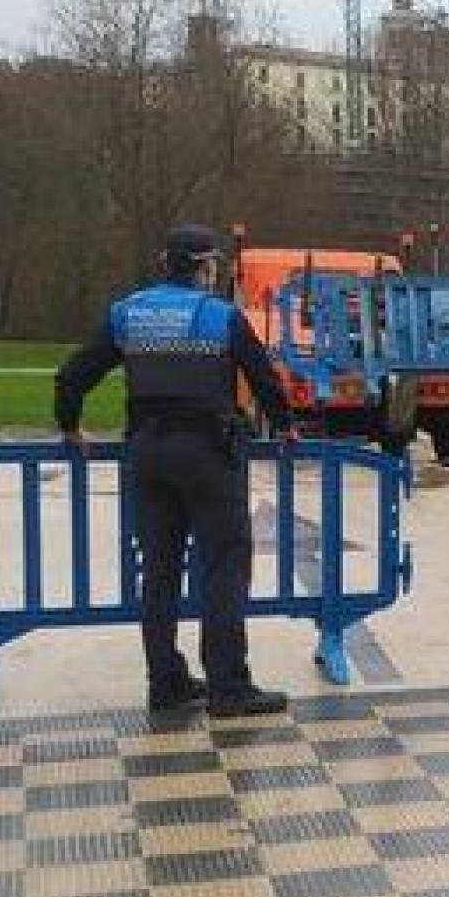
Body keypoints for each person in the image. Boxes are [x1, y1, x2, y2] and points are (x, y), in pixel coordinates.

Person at [54, 225, 298, 717]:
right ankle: (228, 686)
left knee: (159, 573)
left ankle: (165, 683)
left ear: (164, 262)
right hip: (208, 453)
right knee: (224, 567)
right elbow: (265, 382)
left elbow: (73, 375)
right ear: (205, 267)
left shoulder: (128, 313)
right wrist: (286, 426)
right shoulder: (220, 316)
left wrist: (70, 427)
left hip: (147, 453)